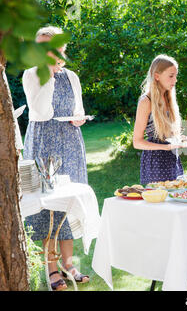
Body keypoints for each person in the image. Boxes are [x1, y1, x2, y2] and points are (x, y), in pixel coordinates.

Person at [22, 26, 89, 290]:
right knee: (49, 204)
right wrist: (48, 72)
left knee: (69, 201)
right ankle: (51, 268)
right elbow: (39, 112)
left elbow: (77, 108)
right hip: (44, 143)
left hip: (71, 141)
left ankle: (68, 263)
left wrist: (80, 118)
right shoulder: (32, 74)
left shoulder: (72, 76)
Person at [133, 55, 183, 185]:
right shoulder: (146, 101)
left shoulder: (169, 97)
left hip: (172, 158)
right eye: (171, 76)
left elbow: (167, 133)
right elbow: (137, 142)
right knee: (159, 201)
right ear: (157, 76)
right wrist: (165, 148)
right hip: (156, 162)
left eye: (176, 76)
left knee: (176, 199)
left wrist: (180, 139)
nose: (175, 80)